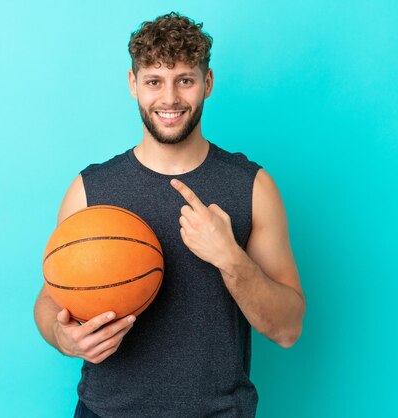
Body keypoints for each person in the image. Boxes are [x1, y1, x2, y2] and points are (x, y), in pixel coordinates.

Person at [34, 12, 305, 418]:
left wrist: (230, 258)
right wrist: (63, 336)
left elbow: (287, 329)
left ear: (207, 84)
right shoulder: (90, 189)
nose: (170, 99)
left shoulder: (252, 187)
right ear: (133, 85)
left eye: (185, 80)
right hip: (106, 412)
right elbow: (49, 298)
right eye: (154, 81)